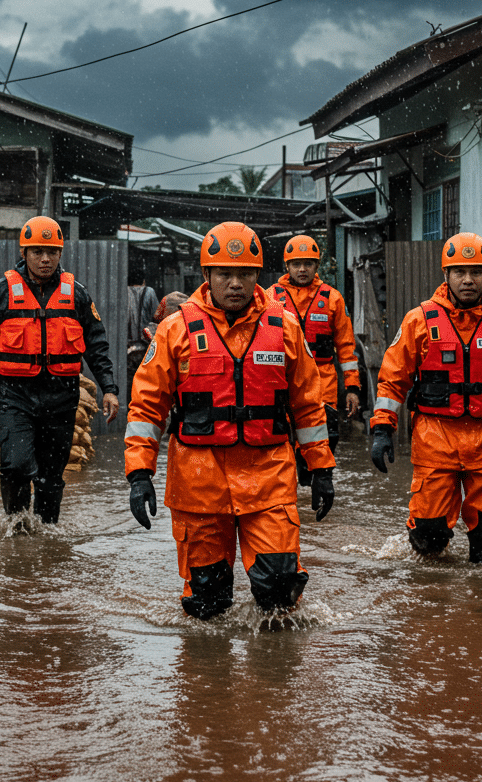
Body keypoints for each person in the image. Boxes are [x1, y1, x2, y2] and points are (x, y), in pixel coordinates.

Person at [124, 221, 335, 621]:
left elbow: (309, 404)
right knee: (206, 606)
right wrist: (139, 475)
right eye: (225, 274)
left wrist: (321, 467)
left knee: (280, 592)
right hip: (198, 483)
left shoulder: (285, 329)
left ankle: (272, 681)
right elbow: (147, 408)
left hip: (268, 478)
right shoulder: (175, 330)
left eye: (244, 274)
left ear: (259, 276)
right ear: (206, 275)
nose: (235, 283)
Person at [369, 232, 482, 563]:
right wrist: (382, 429)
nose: (468, 280)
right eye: (460, 272)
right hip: (435, 440)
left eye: (476, 272)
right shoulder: (419, 321)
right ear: (446, 275)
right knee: (427, 539)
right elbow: (393, 381)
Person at [0, 216, 119, 523]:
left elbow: (97, 345)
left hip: (62, 396)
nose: (45, 259)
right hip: (16, 395)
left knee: (51, 475)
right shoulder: (0, 292)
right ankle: (16, 528)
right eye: (36, 252)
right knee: (16, 464)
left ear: (60, 253)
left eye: (52, 252)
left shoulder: (77, 294)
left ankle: (46, 533)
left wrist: (109, 388)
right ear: (23, 252)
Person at [268, 234, 361, 482]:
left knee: (326, 439)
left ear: (316, 266)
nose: (302, 269)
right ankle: (293, 498)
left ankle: (318, 490)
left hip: (324, 383)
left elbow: (346, 347)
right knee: (284, 444)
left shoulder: (332, 298)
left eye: (308, 263)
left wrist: (352, 388)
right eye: (296, 263)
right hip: (283, 382)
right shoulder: (270, 299)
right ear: (287, 266)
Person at [126, 266, 159, 383]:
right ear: (143, 281)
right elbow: (157, 316)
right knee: (144, 380)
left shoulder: (123, 292)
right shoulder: (149, 292)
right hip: (145, 346)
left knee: (129, 380)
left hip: (126, 347)